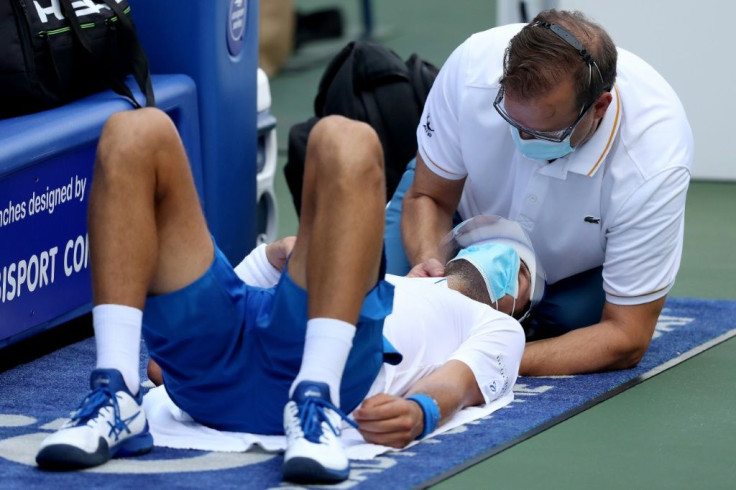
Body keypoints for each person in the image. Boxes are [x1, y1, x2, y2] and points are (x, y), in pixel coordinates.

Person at [34, 109, 537, 484]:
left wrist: (422, 411)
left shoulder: (499, 325)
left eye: (519, 268)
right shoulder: (386, 273)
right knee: (133, 129)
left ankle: (311, 402)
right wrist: (276, 257)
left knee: (349, 138)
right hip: (223, 358)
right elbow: (169, 361)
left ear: (518, 298)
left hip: (326, 371)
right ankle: (114, 393)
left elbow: (457, 384)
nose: (498, 253)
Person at [384, 9, 693, 376]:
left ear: (599, 107)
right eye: (511, 122)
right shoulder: (472, 68)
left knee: (571, 324)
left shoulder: (652, 161)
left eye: (545, 133)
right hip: (454, 211)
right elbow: (429, 197)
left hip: (570, 272)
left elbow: (626, 338)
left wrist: (481, 362)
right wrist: (430, 270)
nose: (522, 138)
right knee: (384, 303)